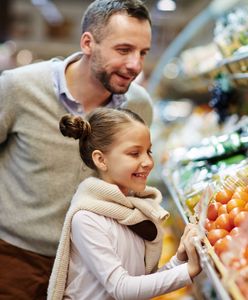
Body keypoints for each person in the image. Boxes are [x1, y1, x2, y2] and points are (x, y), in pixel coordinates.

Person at [0, 1, 154, 299]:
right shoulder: (19, 88)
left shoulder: (139, 106)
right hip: (15, 260)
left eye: (143, 53)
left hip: (90, 265)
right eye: (124, 50)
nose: (136, 65)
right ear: (88, 43)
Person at [47, 107, 202, 300]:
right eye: (134, 153)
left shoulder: (131, 211)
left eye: (149, 151)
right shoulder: (86, 218)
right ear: (101, 160)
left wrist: (180, 259)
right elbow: (122, 288)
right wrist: (188, 270)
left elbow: (142, 282)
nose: (147, 161)